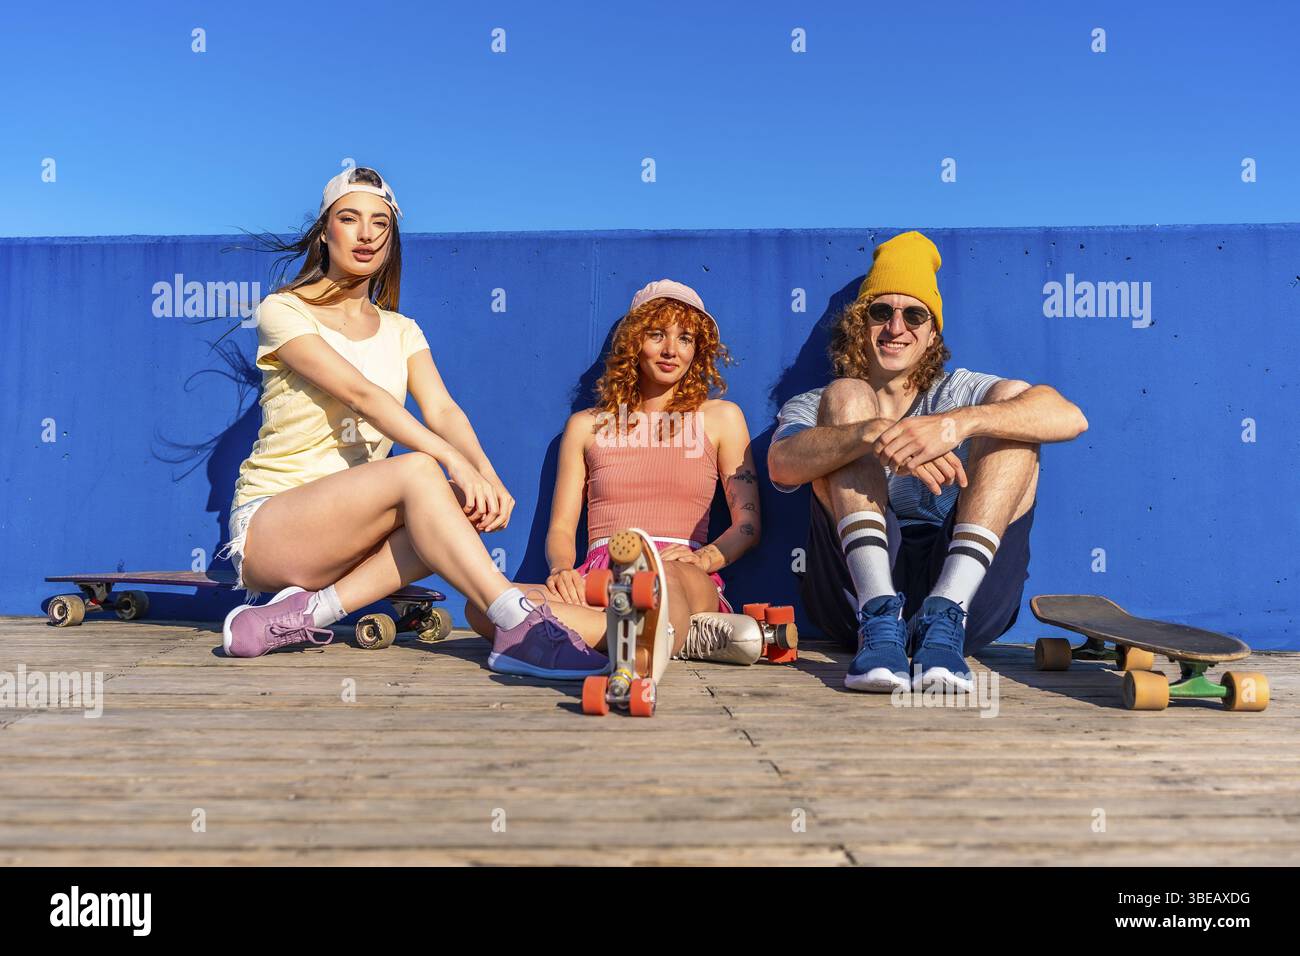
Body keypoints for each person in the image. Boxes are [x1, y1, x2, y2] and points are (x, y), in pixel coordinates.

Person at [217, 166, 606, 680]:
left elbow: (444, 410)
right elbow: (362, 395)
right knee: (423, 471)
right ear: (325, 232)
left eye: (380, 222)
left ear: (391, 238)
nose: (366, 233)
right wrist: (450, 461)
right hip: (272, 530)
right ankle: (517, 624)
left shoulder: (402, 330)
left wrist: (485, 477)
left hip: (347, 542)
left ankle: (305, 614)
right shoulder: (284, 310)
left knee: (459, 505)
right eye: (349, 218)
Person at [767, 231, 1089, 693]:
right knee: (847, 399)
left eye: (913, 314)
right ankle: (879, 615)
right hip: (854, 595)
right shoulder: (821, 403)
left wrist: (955, 426)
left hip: (963, 592)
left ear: (931, 331)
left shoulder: (956, 392)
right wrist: (870, 434)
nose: (896, 328)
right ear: (860, 323)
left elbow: (1069, 417)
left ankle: (944, 615)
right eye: (882, 312)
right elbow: (781, 464)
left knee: (1011, 418)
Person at [465, 280, 765, 665]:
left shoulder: (721, 417)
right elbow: (560, 527)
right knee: (485, 604)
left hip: (679, 571)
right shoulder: (586, 426)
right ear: (633, 341)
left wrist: (705, 559)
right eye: (657, 335)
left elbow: (748, 524)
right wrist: (561, 569)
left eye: (686, 338)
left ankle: (626, 642)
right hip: (601, 575)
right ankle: (659, 637)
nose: (672, 350)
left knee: (659, 583)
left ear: (698, 349)